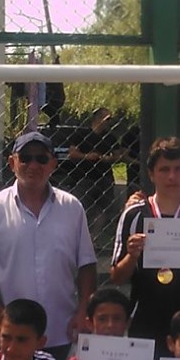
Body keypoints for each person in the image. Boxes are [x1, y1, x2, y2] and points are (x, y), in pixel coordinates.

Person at [0, 130, 97, 351]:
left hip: (62, 333)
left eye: (41, 158)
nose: (33, 165)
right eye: (25, 158)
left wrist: (83, 311)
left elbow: (87, 265)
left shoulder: (72, 208)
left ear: (53, 164)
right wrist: (1, 319)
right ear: (12, 163)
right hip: (10, 340)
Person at [110, 135, 180, 345]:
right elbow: (117, 277)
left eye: (178, 169)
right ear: (151, 174)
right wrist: (132, 256)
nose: (172, 176)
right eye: (164, 169)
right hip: (145, 317)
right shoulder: (134, 215)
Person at [59, 106, 126, 254]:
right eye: (106, 118)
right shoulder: (82, 134)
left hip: (104, 177)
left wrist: (108, 158)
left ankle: (93, 239)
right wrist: (87, 156)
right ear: (97, 118)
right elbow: (72, 154)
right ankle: (77, 239)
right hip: (84, 177)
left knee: (103, 209)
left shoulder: (110, 137)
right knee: (81, 207)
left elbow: (119, 156)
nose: (108, 122)